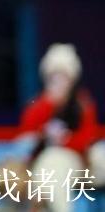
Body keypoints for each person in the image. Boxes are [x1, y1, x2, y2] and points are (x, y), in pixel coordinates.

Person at [18, 43, 98, 212]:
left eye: (64, 76)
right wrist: (49, 106)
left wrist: (65, 141)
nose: (59, 81)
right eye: (54, 76)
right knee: (50, 164)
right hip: (44, 164)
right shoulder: (38, 105)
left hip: (77, 162)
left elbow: (86, 140)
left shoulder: (82, 104)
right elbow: (25, 141)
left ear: (72, 79)